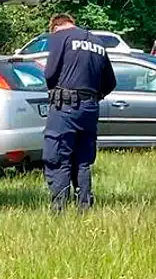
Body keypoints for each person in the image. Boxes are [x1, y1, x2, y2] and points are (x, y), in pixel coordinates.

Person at [42, 13, 116, 212]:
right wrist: (93, 96)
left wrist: (58, 91)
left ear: (55, 26)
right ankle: (84, 206)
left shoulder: (60, 37)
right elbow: (111, 82)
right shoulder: (97, 42)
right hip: (90, 108)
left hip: (65, 107)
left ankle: (59, 209)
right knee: (83, 160)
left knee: (58, 156)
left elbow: (49, 74)